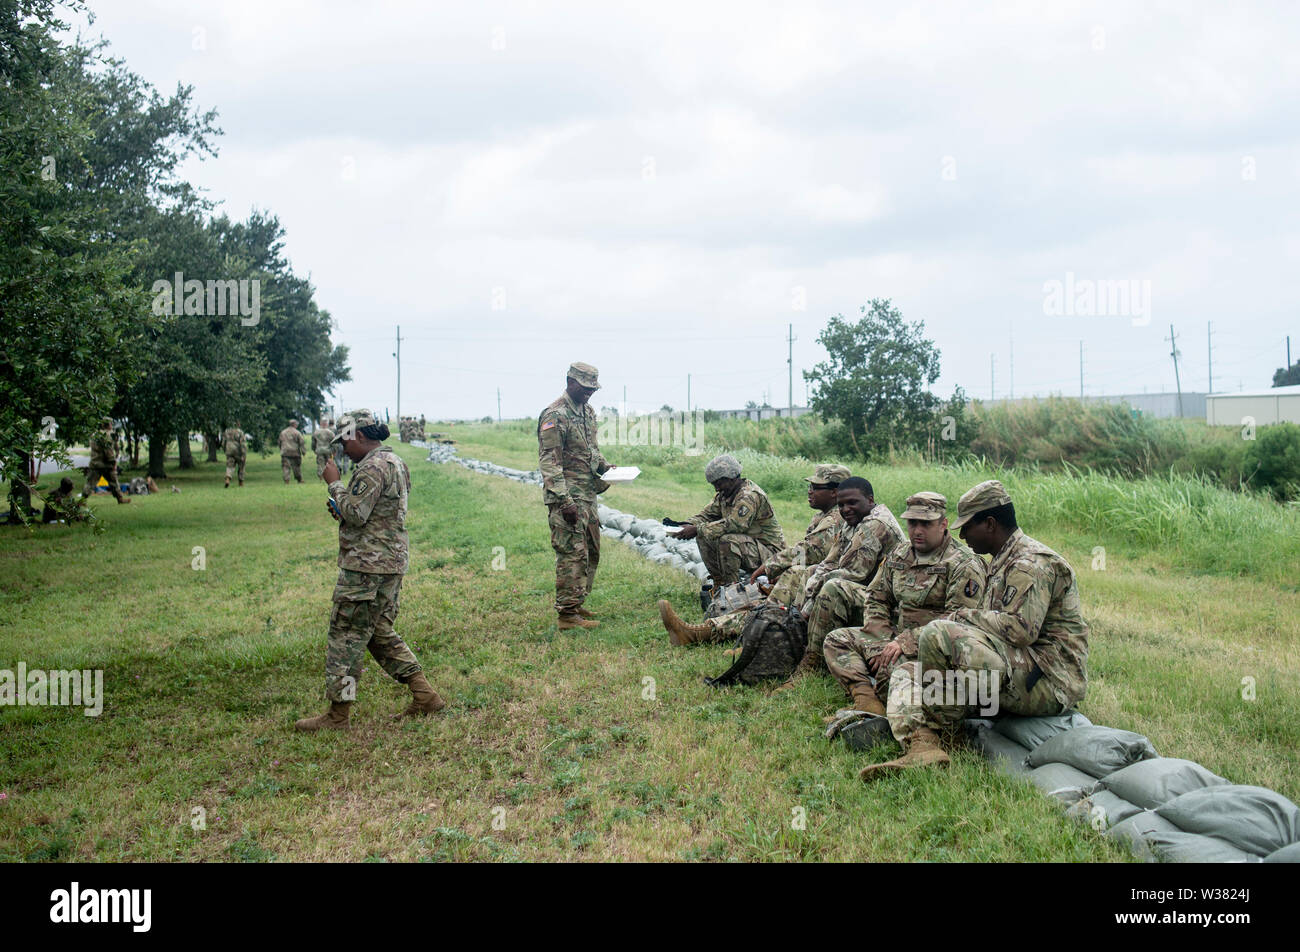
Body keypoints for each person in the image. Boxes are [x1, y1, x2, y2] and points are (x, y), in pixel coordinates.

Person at [860, 480, 1089, 781]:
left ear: (990, 524)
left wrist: (964, 616)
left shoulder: (1030, 563)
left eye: (967, 526)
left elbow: (1021, 631)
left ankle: (942, 734)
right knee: (908, 672)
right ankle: (926, 745)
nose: (962, 534)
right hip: (1014, 666)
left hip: (1048, 680)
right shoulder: (1002, 561)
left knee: (940, 633)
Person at [295, 409, 445, 731]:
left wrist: (335, 485)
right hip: (390, 563)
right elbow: (377, 513)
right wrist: (346, 507)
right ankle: (425, 695)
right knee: (377, 633)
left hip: (366, 567)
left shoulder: (372, 468)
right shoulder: (396, 463)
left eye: (344, 441)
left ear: (359, 436)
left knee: (346, 636)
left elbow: (357, 514)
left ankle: (338, 716)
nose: (342, 449)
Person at [822, 492, 986, 716]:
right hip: (893, 635)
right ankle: (864, 696)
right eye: (912, 523)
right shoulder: (900, 553)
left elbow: (957, 621)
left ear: (943, 524)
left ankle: (892, 701)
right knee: (836, 640)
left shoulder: (963, 563)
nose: (917, 530)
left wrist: (905, 642)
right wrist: (881, 639)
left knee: (893, 671)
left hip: (933, 646)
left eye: (926, 524)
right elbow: (877, 596)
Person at [656, 463, 848, 646]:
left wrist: (773, 565)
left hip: (805, 573)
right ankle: (719, 609)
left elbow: (809, 551)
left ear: (835, 492)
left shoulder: (835, 519)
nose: (810, 491)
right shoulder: (824, 516)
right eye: (810, 486)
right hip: (811, 575)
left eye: (816, 487)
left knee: (771, 609)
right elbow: (809, 553)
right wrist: (686, 525)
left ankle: (702, 631)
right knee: (765, 602)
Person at [778, 476, 902, 689]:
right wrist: (807, 597)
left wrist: (807, 607)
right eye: (842, 505)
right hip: (867, 592)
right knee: (810, 572)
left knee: (833, 588)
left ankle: (812, 663)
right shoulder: (852, 523)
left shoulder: (875, 525)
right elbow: (830, 562)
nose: (846, 509)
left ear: (870, 500)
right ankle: (794, 634)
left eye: (852, 503)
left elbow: (851, 574)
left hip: (886, 607)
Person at [538, 362, 617, 631]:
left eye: (593, 389)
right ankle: (568, 616)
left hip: (587, 495)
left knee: (591, 551)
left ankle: (577, 601)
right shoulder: (555, 415)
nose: (589, 393)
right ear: (570, 382)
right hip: (568, 500)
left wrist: (606, 467)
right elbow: (550, 463)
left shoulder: (587, 412)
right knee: (572, 554)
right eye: (584, 388)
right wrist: (564, 501)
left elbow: (591, 449)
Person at [668, 454, 785, 587]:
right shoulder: (725, 494)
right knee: (704, 536)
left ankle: (731, 589)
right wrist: (686, 525)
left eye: (719, 483)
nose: (717, 488)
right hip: (750, 548)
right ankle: (720, 585)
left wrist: (697, 529)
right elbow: (707, 515)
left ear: (732, 477)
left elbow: (734, 525)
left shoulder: (749, 496)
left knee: (728, 541)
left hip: (770, 553)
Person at [83, 418, 129, 504]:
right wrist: (113, 461)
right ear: (108, 425)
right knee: (114, 482)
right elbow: (108, 451)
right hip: (106, 464)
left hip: (95, 463)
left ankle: (82, 500)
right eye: (111, 423)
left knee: (90, 484)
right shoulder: (107, 436)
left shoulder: (95, 434)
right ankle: (120, 499)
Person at [278, 418, 307, 484]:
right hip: (295, 452)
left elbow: (279, 442)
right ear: (295, 425)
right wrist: (303, 451)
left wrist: (281, 449)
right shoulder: (297, 432)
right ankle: (299, 479)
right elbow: (301, 442)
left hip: (285, 452)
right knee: (296, 467)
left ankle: (286, 480)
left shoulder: (283, 432)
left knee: (285, 467)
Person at [222, 420, 248, 488]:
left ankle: (228, 478)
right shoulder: (240, 432)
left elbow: (223, 442)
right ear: (238, 424)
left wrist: (225, 450)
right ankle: (240, 482)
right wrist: (243, 453)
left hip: (229, 450)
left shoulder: (227, 431)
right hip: (238, 451)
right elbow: (243, 444)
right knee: (241, 466)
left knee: (229, 466)